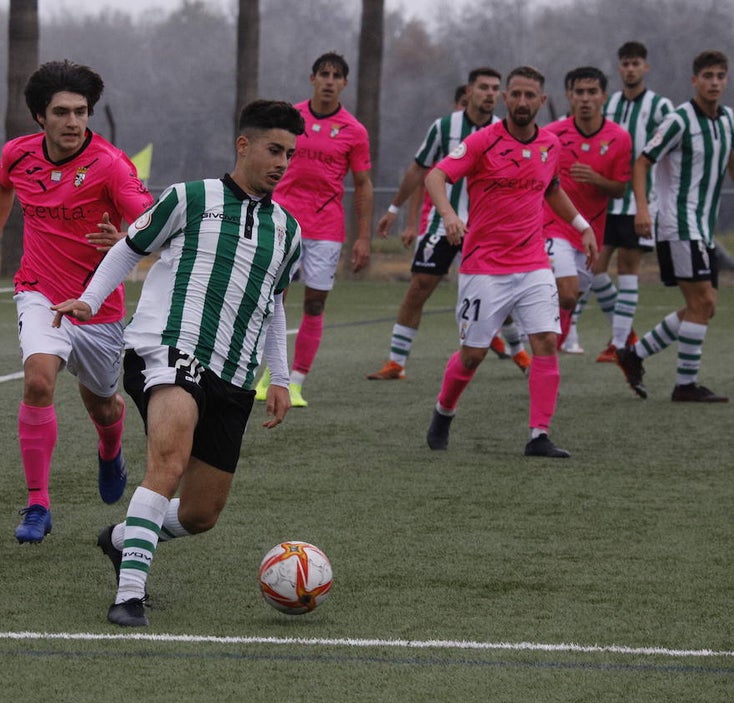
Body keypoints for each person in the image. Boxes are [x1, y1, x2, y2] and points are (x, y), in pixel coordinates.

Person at [53, 99, 305, 628]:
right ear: (244, 145)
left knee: (200, 514)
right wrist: (90, 300)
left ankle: (122, 539)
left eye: (290, 153)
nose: (282, 162)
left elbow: (273, 303)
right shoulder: (191, 197)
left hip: (235, 374)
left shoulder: (288, 229)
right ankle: (129, 596)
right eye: (273, 150)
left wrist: (278, 377)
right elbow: (129, 247)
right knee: (166, 466)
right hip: (169, 347)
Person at [0, 60, 153, 544]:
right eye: (62, 112)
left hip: (96, 305)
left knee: (104, 406)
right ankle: (37, 504)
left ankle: (110, 450)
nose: (73, 122)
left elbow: (155, 220)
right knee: (38, 379)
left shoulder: (111, 164)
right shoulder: (18, 155)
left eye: (82, 112)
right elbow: (2, 183)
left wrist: (129, 235)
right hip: (39, 291)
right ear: (39, 117)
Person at [423, 66, 598, 458]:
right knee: (472, 355)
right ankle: (443, 411)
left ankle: (539, 435)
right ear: (506, 99)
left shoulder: (550, 145)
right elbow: (435, 177)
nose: (521, 102)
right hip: (484, 266)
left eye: (529, 96)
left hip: (534, 263)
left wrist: (581, 225)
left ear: (542, 100)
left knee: (547, 343)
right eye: (515, 94)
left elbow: (551, 189)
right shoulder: (483, 140)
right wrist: (450, 215)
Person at [368, 68, 522, 379]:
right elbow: (417, 170)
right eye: (484, 87)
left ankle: (519, 352)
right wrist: (394, 208)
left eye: (495, 88)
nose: (490, 93)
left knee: (498, 294)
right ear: (469, 91)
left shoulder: (505, 131)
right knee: (418, 288)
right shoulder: (444, 127)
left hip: (485, 229)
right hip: (442, 225)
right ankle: (396, 363)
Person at [252, 51, 372, 407]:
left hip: (326, 228)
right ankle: (266, 374)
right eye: (324, 73)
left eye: (337, 75)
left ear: (344, 84)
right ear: (313, 78)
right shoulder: (291, 119)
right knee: (272, 298)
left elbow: (363, 184)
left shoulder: (354, 131)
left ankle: (296, 382)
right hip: (282, 221)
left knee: (315, 305)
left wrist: (362, 237)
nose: (330, 80)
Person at [617, 50, 734, 403]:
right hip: (678, 223)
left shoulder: (728, 119)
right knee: (704, 301)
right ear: (694, 80)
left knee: (704, 305)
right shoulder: (679, 120)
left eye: (720, 76)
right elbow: (642, 162)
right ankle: (685, 385)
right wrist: (642, 209)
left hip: (702, 227)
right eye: (707, 76)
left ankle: (633, 354)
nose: (714, 82)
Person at [570, 41, 675, 361]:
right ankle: (618, 333)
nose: (630, 69)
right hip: (605, 199)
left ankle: (617, 344)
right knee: (593, 268)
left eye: (636, 63)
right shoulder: (609, 102)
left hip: (639, 201)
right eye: (626, 64)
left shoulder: (660, 106)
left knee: (628, 267)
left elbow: (670, 148)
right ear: (619, 68)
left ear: (646, 68)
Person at [542, 67, 632, 348]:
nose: (585, 98)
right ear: (569, 96)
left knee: (572, 296)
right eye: (579, 92)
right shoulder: (551, 135)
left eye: (592, 92)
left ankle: (547, 349)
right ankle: (540, 343)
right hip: (553, 226)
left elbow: (619, 189)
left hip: (591, 232)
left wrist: (596, 179)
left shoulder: (619, 138)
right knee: (567, 293)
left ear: (604, 96)